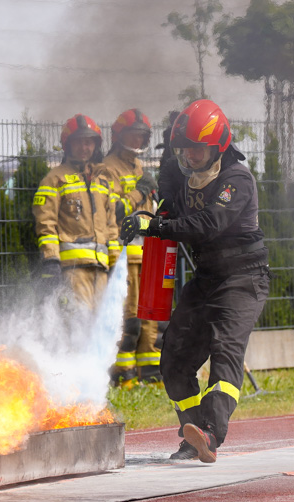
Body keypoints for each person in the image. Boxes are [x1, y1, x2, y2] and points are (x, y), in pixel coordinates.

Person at [120, 99, 270, 463]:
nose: (190, 159)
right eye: (184, 151)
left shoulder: (237, 180)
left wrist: (154, 225)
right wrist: (151, 214)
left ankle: (212, 432)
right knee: (174, 356)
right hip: (207, 277)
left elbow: (207, 225)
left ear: (218, 146)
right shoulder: (179, 171)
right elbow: (172, 210)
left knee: (225, 352)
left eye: (198, 151)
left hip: (242, 278)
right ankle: (192, 434)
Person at [32, 113, 118, 310]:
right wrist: (51, 260)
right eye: (79, 142)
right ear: (68, 145)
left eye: (89, 142)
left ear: (95, 145)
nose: (84, 147)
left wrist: (115, 263)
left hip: (102, 270)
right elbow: (46, 223)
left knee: (102, 329)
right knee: (78, 327)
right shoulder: (55, 179)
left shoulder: (103, 181)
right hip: (73, 270)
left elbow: (111, 227)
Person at [103, 109, 163, 388]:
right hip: (123, 251)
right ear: (119, 137)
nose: (138, 140)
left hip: (147, 249)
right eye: (133, 134)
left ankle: (150, 372)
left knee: (151, 312)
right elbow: (113, 211)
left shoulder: (139, 168)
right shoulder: (108, 168)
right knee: (128, 315)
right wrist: (140, 191)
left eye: (142, 135)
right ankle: (123, 374)